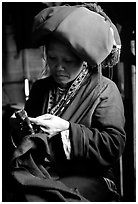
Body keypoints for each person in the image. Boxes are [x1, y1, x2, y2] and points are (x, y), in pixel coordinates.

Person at [9, 3, 126, 202]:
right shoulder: (40, 88)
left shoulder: (104, 89)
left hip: (92, 176)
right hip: (44, 171)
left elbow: (114, 145)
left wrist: (66, 130)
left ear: (84, 60)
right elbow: (30, 137)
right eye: (52, 58)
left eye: (68, 61)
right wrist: (20, 126)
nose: (58, 67)